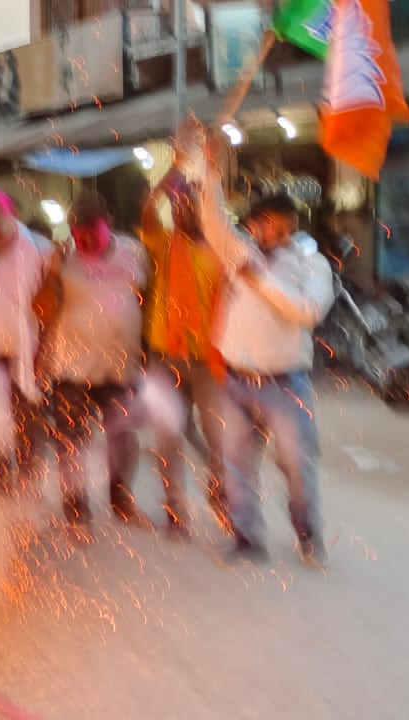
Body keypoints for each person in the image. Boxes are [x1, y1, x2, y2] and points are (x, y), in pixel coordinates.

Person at [197, 179, 333, 567]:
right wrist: (210, 164)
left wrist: (260, 280)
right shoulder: (239, 252)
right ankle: (246, 539)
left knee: (295, 464)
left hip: (285, 383)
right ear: (254, 223)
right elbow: (212, 222)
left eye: (287, 227)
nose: (280, 235)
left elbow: (307, 312)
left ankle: (308, 536)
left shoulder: (312, 264)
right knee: (236, 465)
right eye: (272, 225)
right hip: (236, 380)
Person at [127, 123, 232, 535]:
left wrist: (210, 165)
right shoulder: (165, 243)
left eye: (191, 204)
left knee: (218, 440)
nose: (184, 210)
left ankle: (222, 499)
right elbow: (147, 212)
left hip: (208, 361)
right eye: (180, 205)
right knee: (166, 439)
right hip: (164, 357)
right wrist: (171, 174)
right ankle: (175, 510)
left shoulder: (224, 247)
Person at [34, 193, 147, 541]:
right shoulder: (61, 257)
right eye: (77, 232)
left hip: (119, 364)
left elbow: (148, 296)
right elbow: (41, 310)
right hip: (72, 365)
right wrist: (53, 271)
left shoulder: (133, 251)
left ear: (108, 223)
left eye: (91, 233)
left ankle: (120, 498)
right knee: (72, 442)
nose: (83, 240)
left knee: (123, 438)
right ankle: (77, 512)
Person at [0, 189, 51, 495]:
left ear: (11, 217)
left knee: (28, 426)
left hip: (26, 353)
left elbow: (52, 304)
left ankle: (29, 492)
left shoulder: (40, 250)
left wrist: (46, 349)